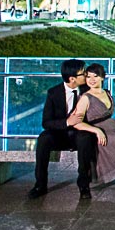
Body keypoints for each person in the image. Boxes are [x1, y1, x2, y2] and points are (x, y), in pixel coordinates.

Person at [28, 59, 97, 200]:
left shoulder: (88, 90)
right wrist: (67, 122)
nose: (86, 75)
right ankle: (40, 184)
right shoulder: (53, 93)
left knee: (85, 138)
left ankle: (84, 184)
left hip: (80, 133)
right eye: (83, 73)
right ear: (72, 79)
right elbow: (46, 122)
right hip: (60, 134)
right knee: (44, 138)